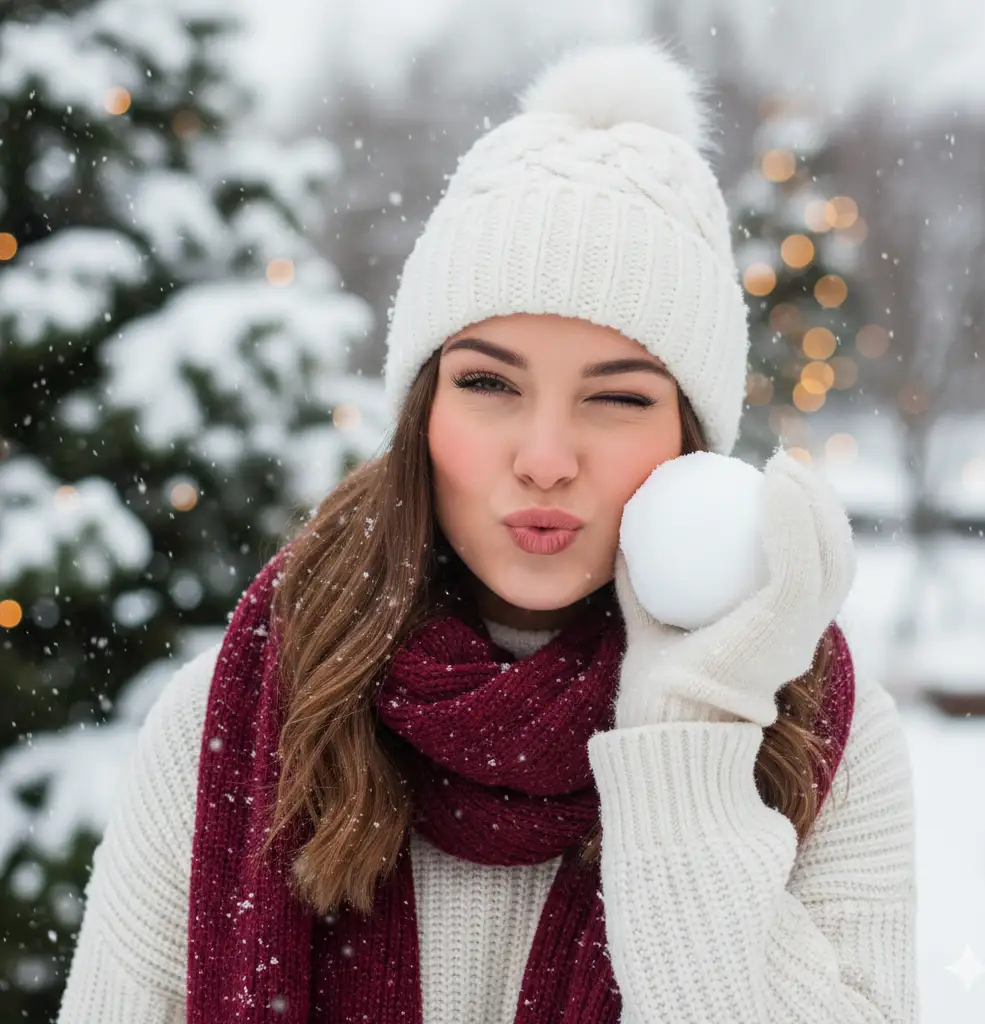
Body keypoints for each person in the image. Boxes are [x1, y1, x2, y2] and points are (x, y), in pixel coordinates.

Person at [58, 40, 918, 1023]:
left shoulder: (816, 724)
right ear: (420, 412)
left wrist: (689, 745)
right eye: (487, 383)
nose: (545, 457)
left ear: (691, 445)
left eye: (617, 398)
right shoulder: (243, 712)